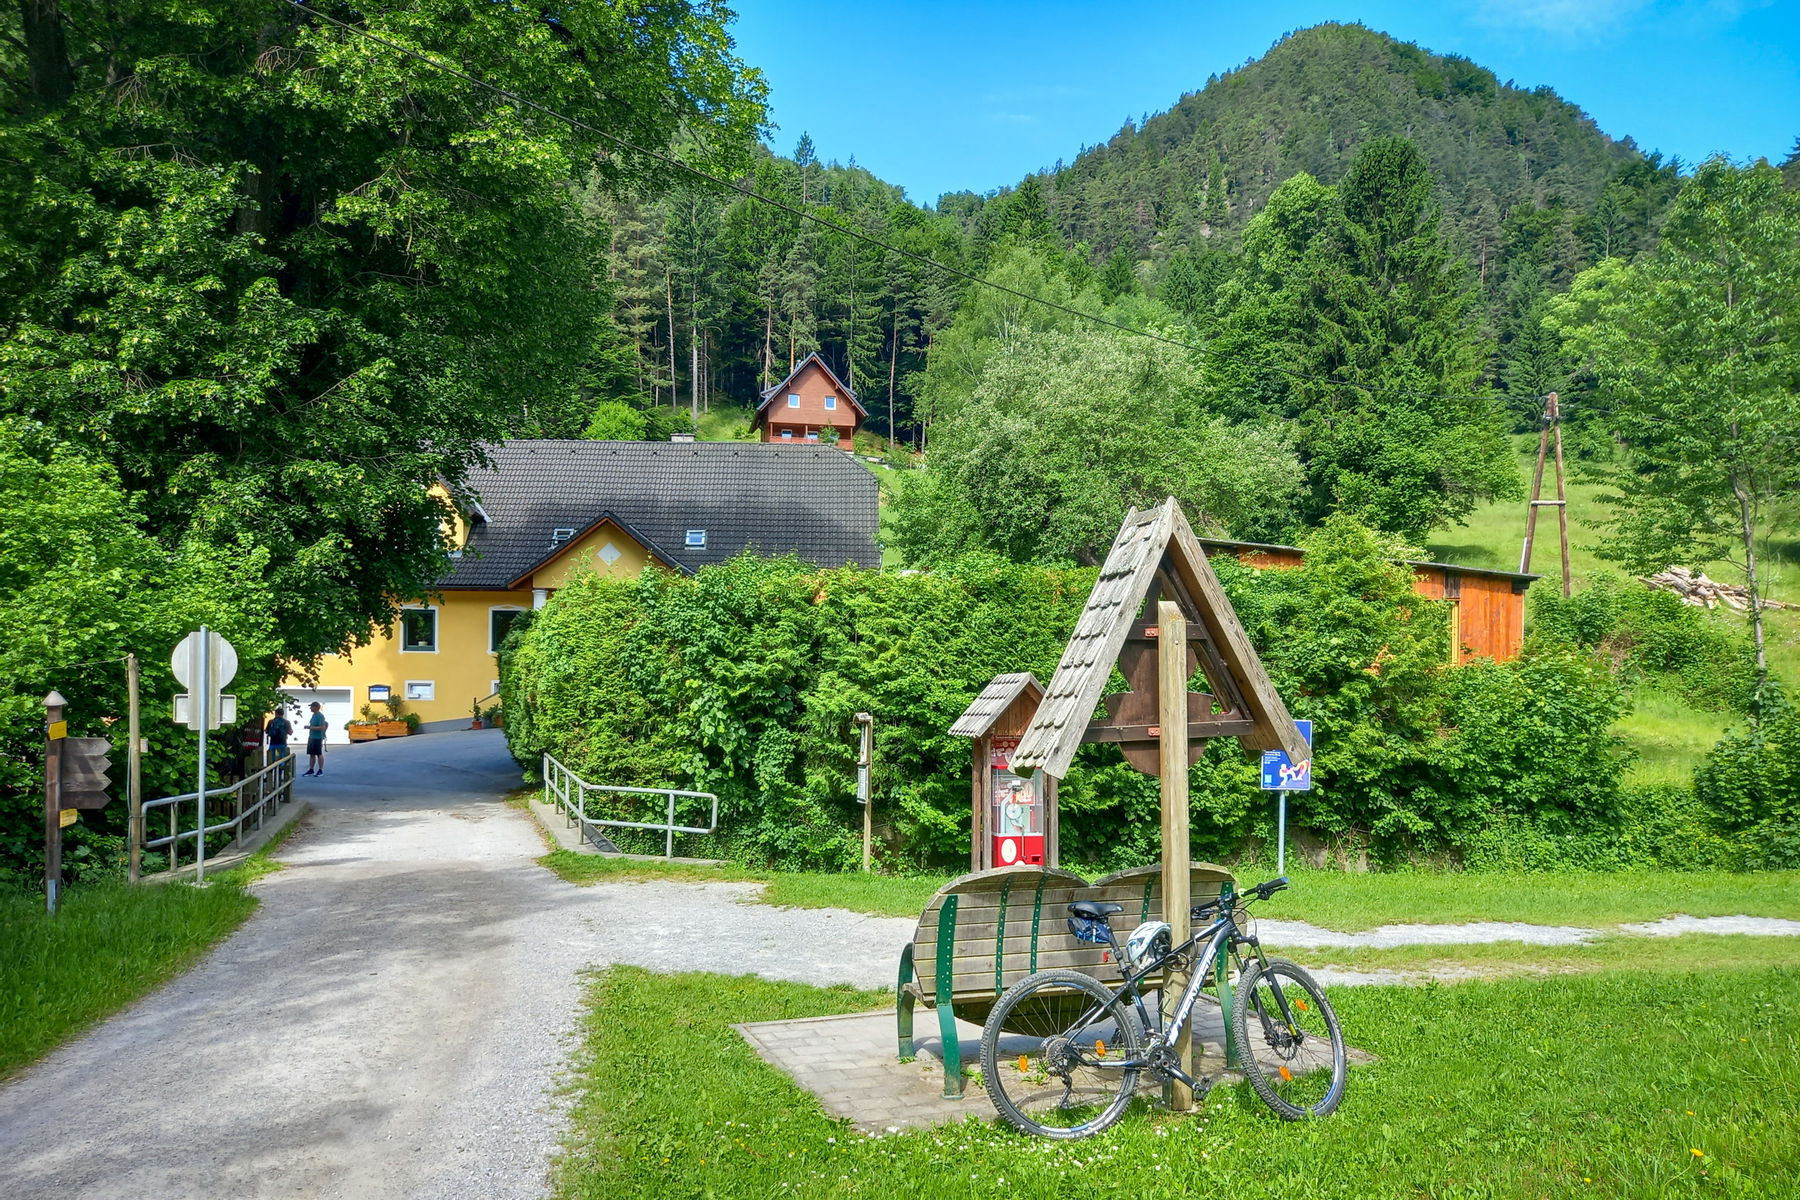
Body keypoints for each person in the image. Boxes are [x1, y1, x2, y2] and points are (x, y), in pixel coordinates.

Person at [303, 701, 328, 776]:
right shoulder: (313, 715)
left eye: (312, 706)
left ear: (316, 707)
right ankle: (311, 769)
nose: (310, 708)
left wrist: (310, 727)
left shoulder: (320, 716)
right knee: (311, 754)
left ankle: (320, 770)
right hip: (311, 737)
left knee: (319, 754)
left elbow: (322, 727)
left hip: (318, 737)